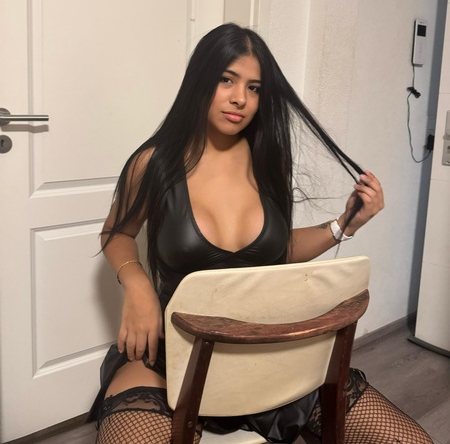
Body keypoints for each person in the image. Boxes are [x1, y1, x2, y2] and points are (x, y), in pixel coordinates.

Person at [89, 23, 432, 443]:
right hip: (170, 352)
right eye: (226, 80)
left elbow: (277, 251)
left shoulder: (269, 161)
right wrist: (137, 283)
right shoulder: (153, 164)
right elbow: (117, 232)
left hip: (269, 351)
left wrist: (344, 226)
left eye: (254, 88)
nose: (241, 98)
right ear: (200, 81)